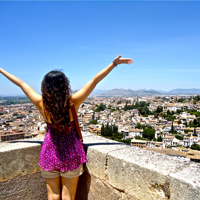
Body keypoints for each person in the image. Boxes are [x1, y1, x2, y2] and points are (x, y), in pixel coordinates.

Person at [0, 55, 133, 200]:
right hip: (71, 154)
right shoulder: (73, 102)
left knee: (53, 195)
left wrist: (1, 70)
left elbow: (21, 84)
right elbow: (94, 81)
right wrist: (114, 64)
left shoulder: (41, 103)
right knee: (68, 197)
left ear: (45, 87)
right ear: (65, 85)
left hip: (49, 154)